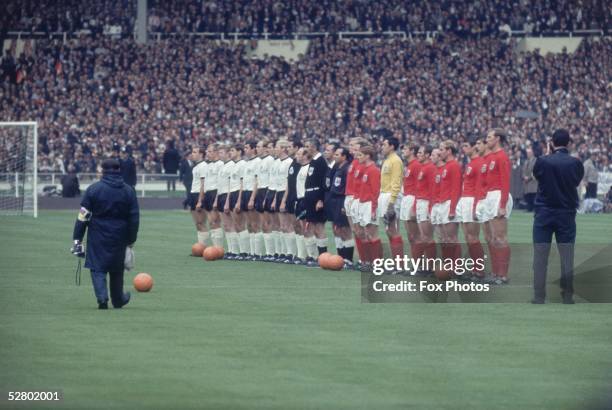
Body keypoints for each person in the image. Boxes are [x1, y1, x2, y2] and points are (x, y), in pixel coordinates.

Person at [71, 159, 139, 310]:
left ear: (103, 170)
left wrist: (77, 239)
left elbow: (83, 216)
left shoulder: (94, 189)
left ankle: (102, 298)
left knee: (97, 267)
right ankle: (118, 299)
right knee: (116, 269)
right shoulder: (128, 191)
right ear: (118, 170)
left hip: (97, 234)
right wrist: (131, 238)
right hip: (120, 234)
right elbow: (134, 217)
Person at [532, 129, 584, 304]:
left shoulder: (542, 161)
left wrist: (547, 154)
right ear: (569, 143)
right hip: (566, 214)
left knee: (540, 256)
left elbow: (537, 176)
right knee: (567, 256)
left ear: (552, 143)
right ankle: (567, 295)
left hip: (544, 213)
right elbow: (576, 182)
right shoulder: (576, 163)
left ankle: (539, 296)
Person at [378, 132, 404, 261]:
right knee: (388, 230)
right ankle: (395, 261)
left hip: (390, 197)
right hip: (384, 195)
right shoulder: (387, 160)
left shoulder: (396, 161)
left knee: (393, 230)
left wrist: (392, 202)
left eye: (384, 145)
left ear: (392, 146)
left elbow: (396, 182)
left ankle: (399, 264)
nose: (382, 147)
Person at [522, 147, 538, 212]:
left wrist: (529, 178)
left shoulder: (535, 160)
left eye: (529, 153)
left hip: (533, 181)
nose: (528, 154)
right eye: (527, 153)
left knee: (533, 196)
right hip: (526, 182)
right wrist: (524, 176)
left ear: (532, 153)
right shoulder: (526, 161)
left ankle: (534, 209)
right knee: (528, 196)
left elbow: (535, 171)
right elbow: (523, 171)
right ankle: (529, 208)